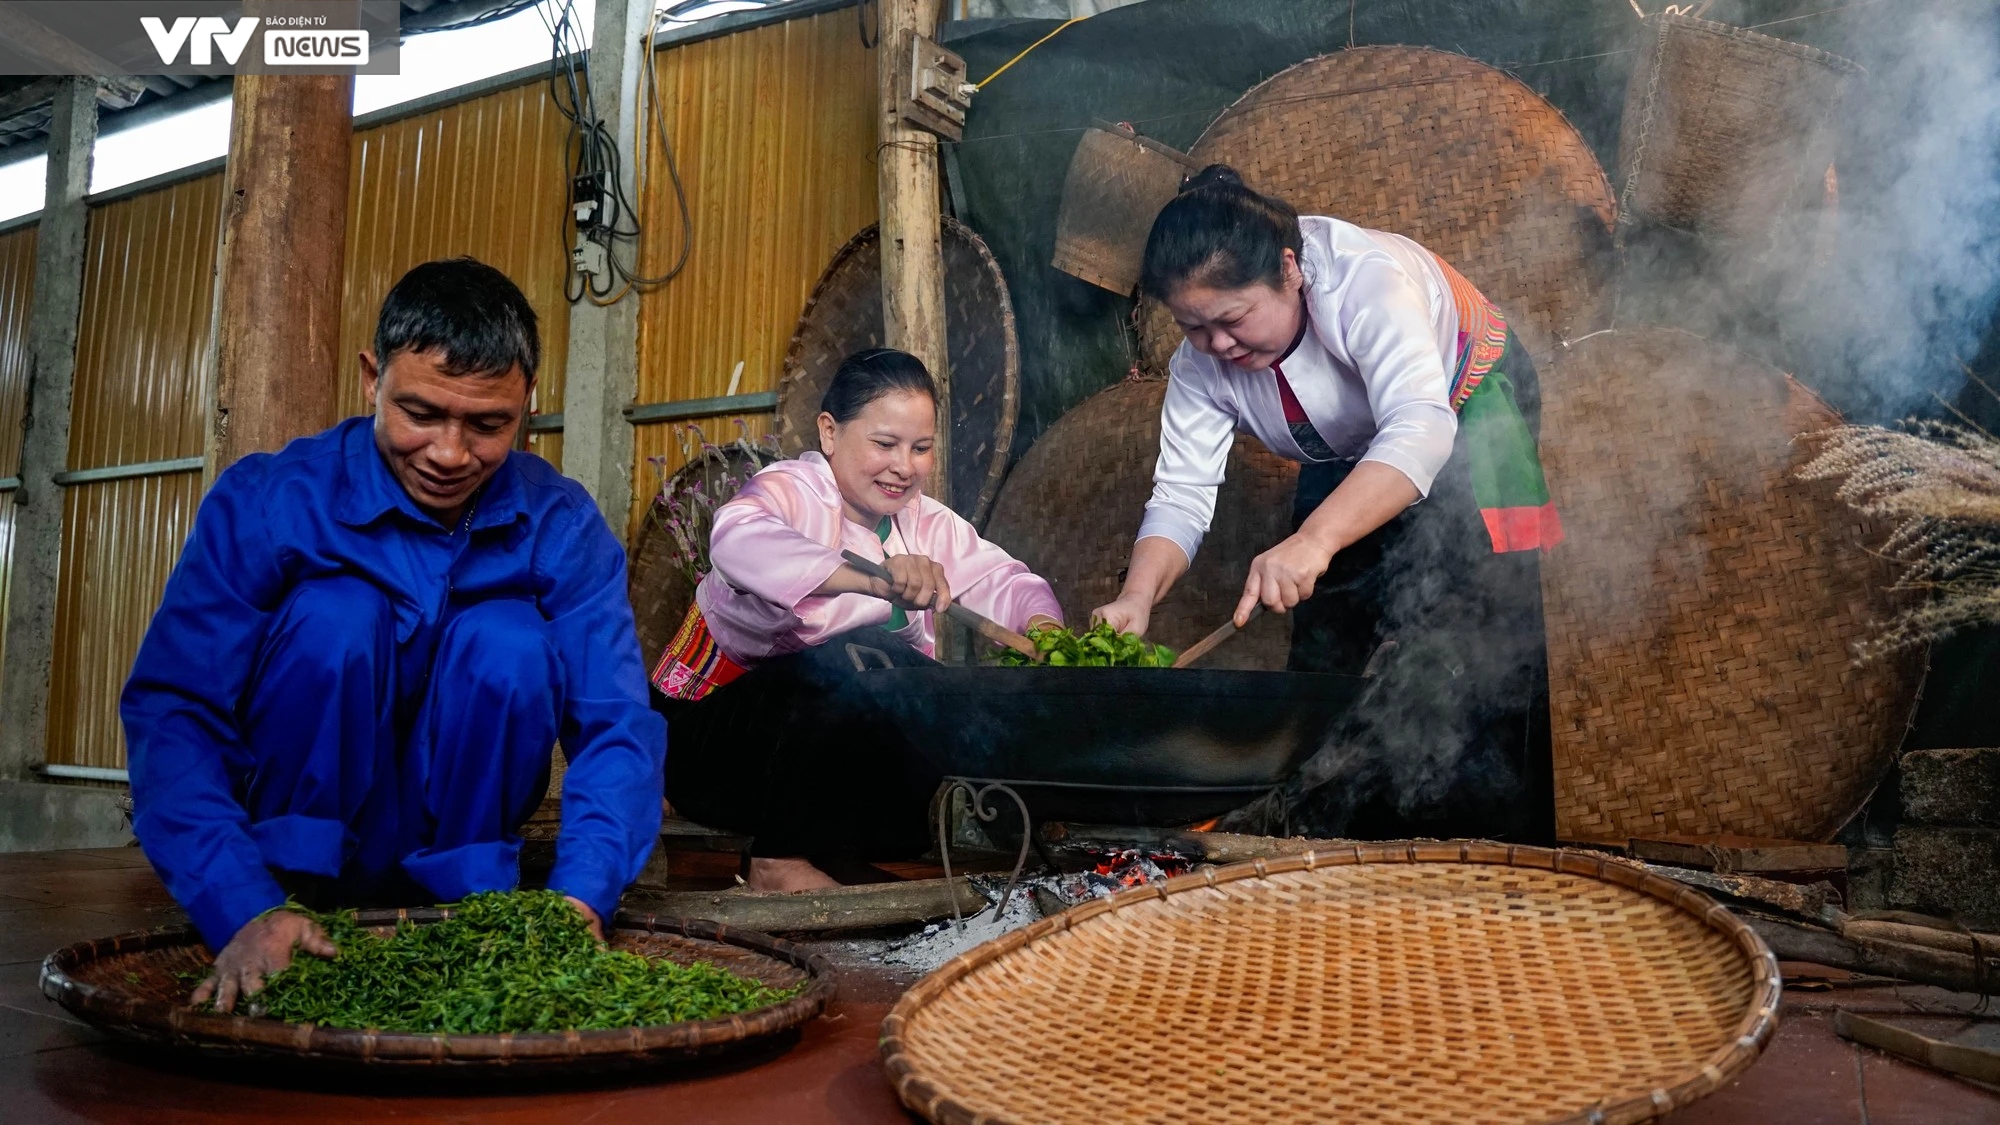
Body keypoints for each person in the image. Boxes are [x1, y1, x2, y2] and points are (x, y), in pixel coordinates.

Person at [122, 258, 665, 1012]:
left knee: (508, 640)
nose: (449, 453)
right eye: (420, 413)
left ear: (528, 402)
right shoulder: (270, 501)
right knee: (335, 617)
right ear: (371, 379)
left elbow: (616, 726)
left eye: (488, 425)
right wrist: (238, 902)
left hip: (469, 883)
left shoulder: (562, 524)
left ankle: (467, 908)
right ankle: (290, 899)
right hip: (276, 876)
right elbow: (175, 710)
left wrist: (581, 898)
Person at [1094, 165, 1560, 841]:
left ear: (1290, 270)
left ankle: (1488, 845)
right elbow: (1182, 495)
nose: (1217, 345)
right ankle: (1328, 840)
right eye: (1193, 327)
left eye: (1232, 319)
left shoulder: (1365, 283)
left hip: (1460, 404)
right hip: (1343, 445)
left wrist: (1316, 540)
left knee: (1472, 636)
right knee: (1326, 635)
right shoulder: (1200, 367)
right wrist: (1137, 598)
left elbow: (1421, 428)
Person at [653, 348, 1061, 892]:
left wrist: (1043, 630)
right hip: (703, 749)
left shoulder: (927, 523)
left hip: (800, 767)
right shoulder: (793, 490)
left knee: (935, 693)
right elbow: (736, 539)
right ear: (830, 432)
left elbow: (1003, 580)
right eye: (885, 444)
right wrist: (872, 580)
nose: (904, 467)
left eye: (920, 448)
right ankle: (777, 861)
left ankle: (840, 855)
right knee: (860, 655)